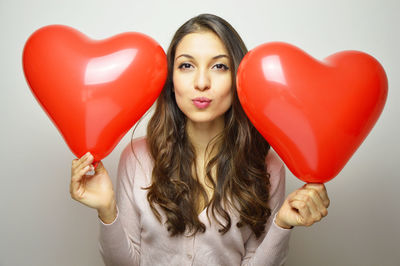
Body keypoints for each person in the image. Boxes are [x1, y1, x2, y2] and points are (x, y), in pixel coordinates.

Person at [70, 13, 330, 266]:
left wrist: (282, 224)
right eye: (186, 65)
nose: (202, 82)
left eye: (219, 66)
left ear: (238, 77)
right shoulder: (136, 157)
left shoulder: (268, 166)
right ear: (171, 80)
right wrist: (107, 210)